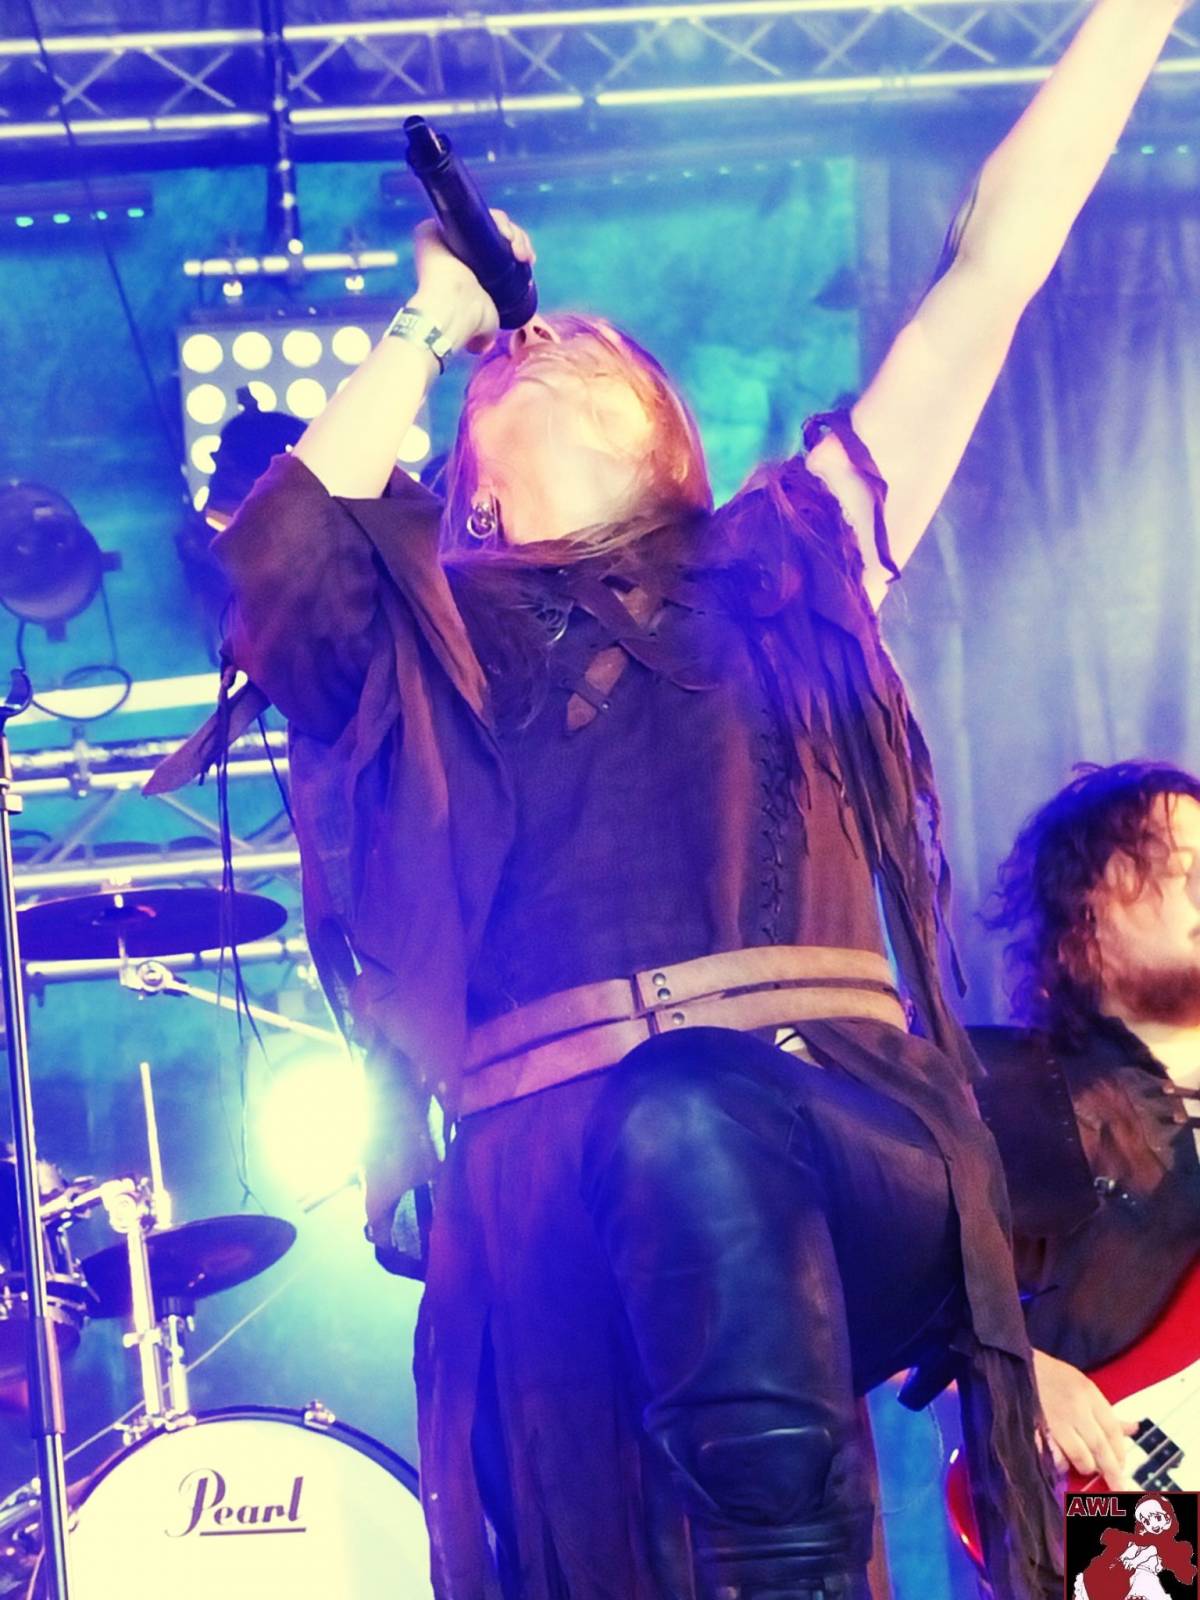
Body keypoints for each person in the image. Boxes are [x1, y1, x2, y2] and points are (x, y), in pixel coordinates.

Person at [149, 4, 1186, 1595]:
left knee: (693, 1109)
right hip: (543, 1198)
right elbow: (281, 566)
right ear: (477, 489)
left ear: (671, 446)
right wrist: (433, 319)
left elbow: (993, 264)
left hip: (820, 1140)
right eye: (522, 350)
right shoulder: (428, 650)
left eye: (595, 342)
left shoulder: (789, 565)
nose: (549, 334)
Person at [982, 762, 1200, 1495]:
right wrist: (1020, 1371)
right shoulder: (1009, 1091)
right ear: (1081, 920)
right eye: (1170, 865)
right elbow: (881, 1296)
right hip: (1125, 1485)